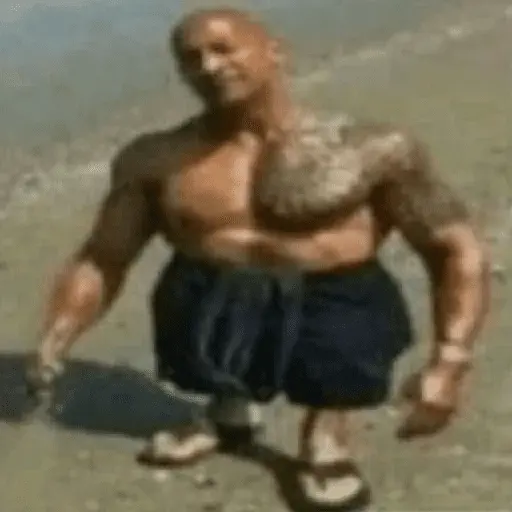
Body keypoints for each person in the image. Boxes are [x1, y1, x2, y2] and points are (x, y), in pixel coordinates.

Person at [25, 7, 490, 511]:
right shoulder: (153, 159)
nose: (209, 66)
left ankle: (325, 433)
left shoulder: (370, 148)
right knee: (198, 333)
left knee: (336, 357)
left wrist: (451, 361)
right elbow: (104, 257)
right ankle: (227, 412)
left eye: (224, 49)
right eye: (191, 58)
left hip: (333, 296)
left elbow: (453, 247)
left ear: (275, 52)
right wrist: (60, 331)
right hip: (211, 292)